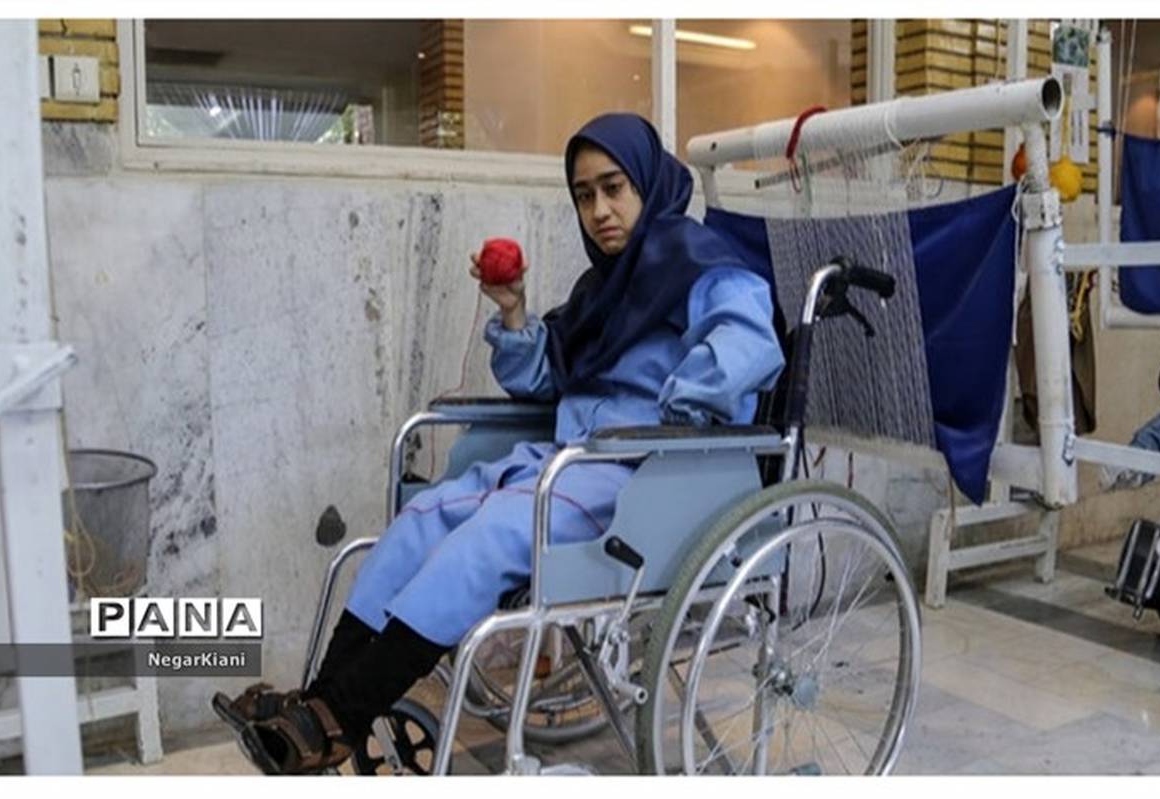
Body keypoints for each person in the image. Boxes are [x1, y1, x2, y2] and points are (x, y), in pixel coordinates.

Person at [212, 112, 785, 775]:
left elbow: (750, 344)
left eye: (613, 188)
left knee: (484, 540)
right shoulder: (606, 285)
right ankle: (319, 710)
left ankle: (337, 714)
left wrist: (677, 401)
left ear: (647, 184)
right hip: (571, 463)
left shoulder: (700, 263)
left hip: (646, 475)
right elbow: (549, 378)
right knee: (424, 517)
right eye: (584, 195)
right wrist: (513, 310)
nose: (599, 210)